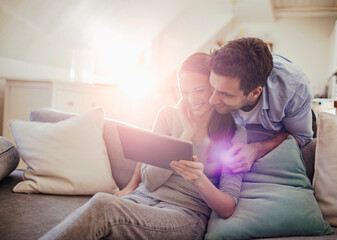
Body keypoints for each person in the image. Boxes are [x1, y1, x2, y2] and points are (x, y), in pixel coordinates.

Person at [40, 53, 243, 240]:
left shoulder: (235, 133)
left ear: (214, 86)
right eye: (185, 92)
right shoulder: (167, 116)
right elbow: (150, 180)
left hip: (185, 215)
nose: (192, 100)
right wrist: (185, 135)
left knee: (103, 205)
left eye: (199, 90)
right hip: (141, 200)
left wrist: (199, 180)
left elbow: (226, 208)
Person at [208, 37, 313, 174]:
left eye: (226, 94)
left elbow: (301, 137)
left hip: (286, 123)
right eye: (212, 86)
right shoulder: (214, 70)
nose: (212, 100)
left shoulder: (294, 89)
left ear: (255, 92)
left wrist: (256, 150)